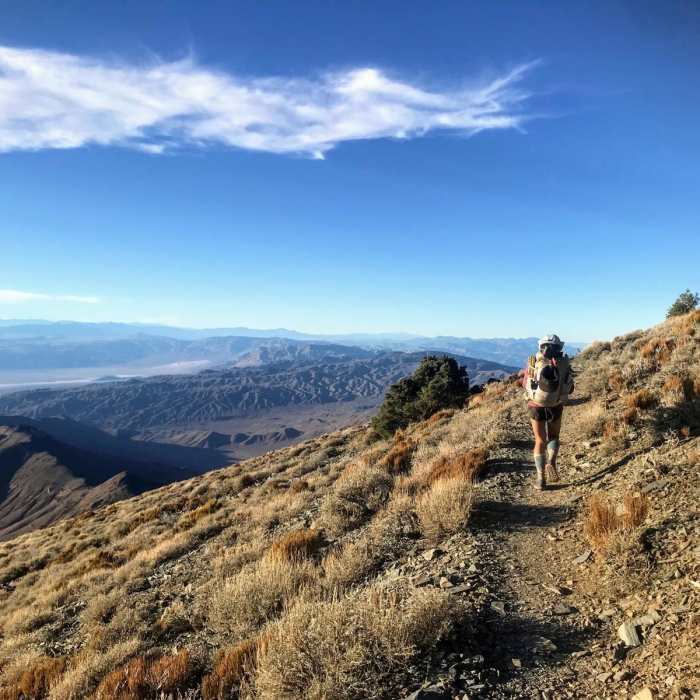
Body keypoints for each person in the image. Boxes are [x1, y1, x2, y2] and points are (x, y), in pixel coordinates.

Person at [522, 334, 574, 490]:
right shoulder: (564, 362)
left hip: (535, 405)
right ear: (559, 347)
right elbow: (570, 388)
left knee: (539, 440)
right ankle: (551, 461)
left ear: (541, 347)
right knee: (553, 437)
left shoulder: (534, 361)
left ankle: (540, 479)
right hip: (556, 405)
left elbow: (525, 383)